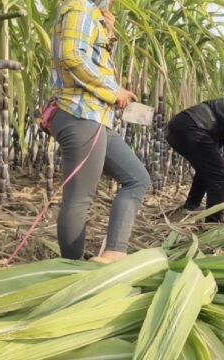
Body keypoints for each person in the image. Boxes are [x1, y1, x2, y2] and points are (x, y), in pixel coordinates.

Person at [50, 0, 149, 263]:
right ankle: (70, 270)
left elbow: (92, 56)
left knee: (137, 178)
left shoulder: (91, 14)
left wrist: (108, 32)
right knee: (79, 197)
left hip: (95, 116)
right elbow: (71, 55)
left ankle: (114, 251)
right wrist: (113, 91)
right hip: (80, 114)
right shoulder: (80, 7)